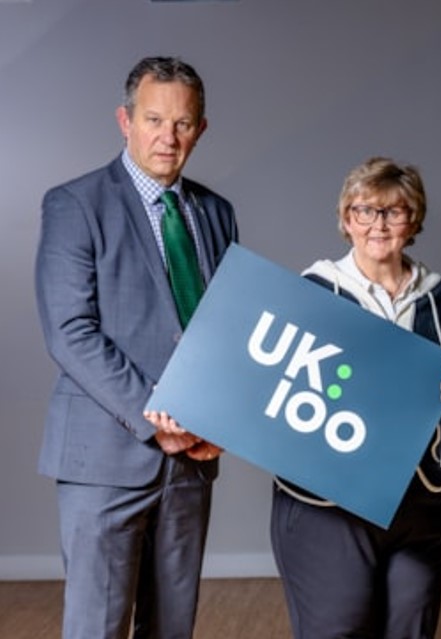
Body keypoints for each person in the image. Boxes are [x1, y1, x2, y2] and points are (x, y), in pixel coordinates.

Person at [34, 56, 238, 639]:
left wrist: (221, 417)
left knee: (172, 627)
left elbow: (226, 330)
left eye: (182, 123)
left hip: (192, 460)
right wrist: (156, 418)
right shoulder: (75, 204)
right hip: (105, 458)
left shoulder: (218, 214)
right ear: (125, 121)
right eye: (153, 119)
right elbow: (70, 332)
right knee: (96, 627)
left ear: (200, 128)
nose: (167, 137)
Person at [270, 157, 441, 639]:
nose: (379, 225)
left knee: (410, 630)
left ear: (413, 220)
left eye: (394, 212)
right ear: (345, 219)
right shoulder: (312, 290)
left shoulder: (440, 298)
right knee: (339, 629)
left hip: (421, 499)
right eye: (365, 211)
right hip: (329, 504)